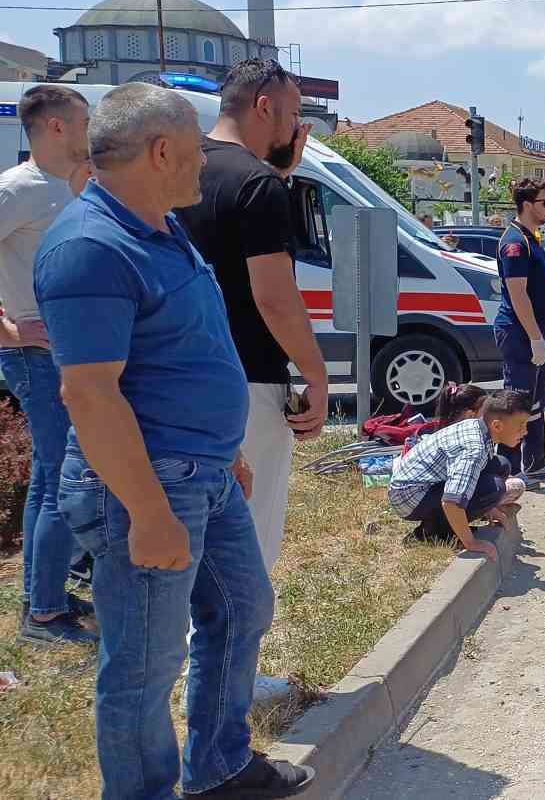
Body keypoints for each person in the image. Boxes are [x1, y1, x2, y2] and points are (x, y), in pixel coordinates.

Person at [38, 83, 314, 798]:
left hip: (202, 474)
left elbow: (189, 351)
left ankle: (220, 768)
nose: (204, 166)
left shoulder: (161, 227)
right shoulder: (90, 247)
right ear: (162, 152)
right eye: (194, 153)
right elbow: (90, 396)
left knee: (242, 608)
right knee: (143, 666)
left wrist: (224, 450)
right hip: (145, 487)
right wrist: (151, 512)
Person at [177, 58, 328, 577]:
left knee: (192, 534)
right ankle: (232, 659)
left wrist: (279, 174)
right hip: (247, 382)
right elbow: (274, 298)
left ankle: (199, 652)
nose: (295, 128)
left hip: (176, 377)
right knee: (246, 541)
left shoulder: (178, 169)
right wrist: (316, 374)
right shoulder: (257, 186)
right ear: (263, 107)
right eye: (291, 115)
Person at [0, 85, 96, 646]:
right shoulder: (17, 190)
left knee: (46, 478)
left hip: (70, 353)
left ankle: (46, 594)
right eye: (84, 119)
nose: (91, 129)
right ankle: (44, 616)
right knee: (65, 478)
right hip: (35, 357)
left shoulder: (75, 185)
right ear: (56, 126)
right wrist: (9, 328)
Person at [387, 389, 531, 551]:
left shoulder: (480, 428)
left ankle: (440, 524)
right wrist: (472, 543)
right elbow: (451, 501)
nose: (525, 432)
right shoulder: (473, 449)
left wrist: (491, 509)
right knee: (494, 488)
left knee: (501, 465)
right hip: (409, 498)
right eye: (520, 426)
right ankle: (435, 532)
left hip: (419, 488)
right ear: (497, 425)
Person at [495, 179, 545, 479]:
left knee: (536, 402)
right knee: (517, 404)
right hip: (519, 334)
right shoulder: (515, 242)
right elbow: (518, 293)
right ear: (527, 204)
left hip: (535, 331)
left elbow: (536, 290)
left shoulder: (531, 237)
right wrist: (535, 337)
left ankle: (536, 462)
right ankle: (509, 471)